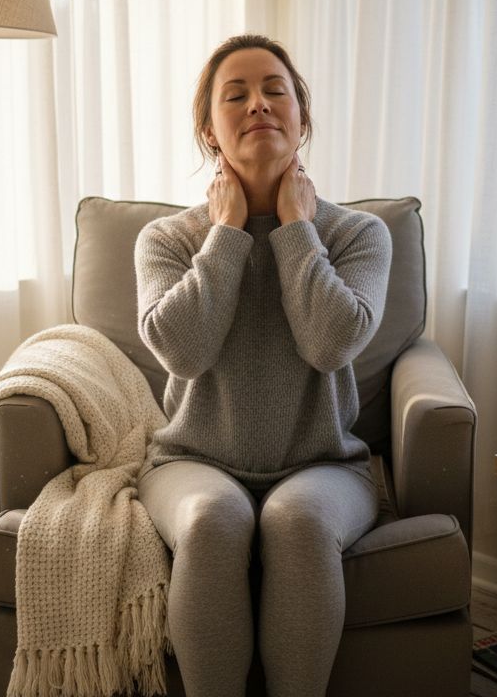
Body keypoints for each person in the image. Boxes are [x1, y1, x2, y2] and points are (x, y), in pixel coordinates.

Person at [133, 34, 392, 697]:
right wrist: (224, 235)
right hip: (192, 463)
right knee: (216, 519)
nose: (259, 105)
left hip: (325, 467)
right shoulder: (166, 239)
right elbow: (183, 351)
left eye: (276, 90)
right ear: (208, 130)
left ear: (302, 115)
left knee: (297, 520)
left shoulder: (358, 234)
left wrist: (296, 230)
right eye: (236, 95)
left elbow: (330, 344)